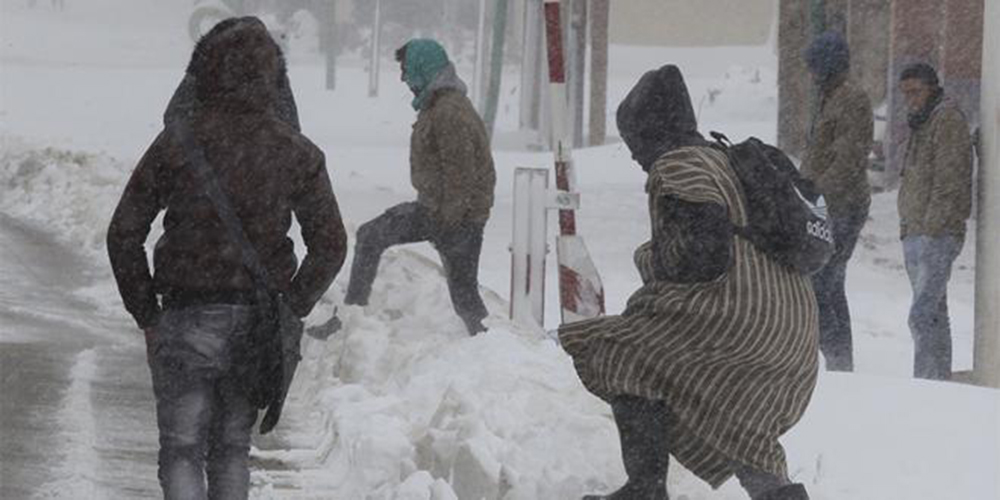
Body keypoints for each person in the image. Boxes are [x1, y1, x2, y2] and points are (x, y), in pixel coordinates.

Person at [106, 17, 347, 499]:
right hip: (258, 322)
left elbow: (123, 232)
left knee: (181, 448)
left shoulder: (179, 140)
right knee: (232, 448)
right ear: (273, 78)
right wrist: (291, 305)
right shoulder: (295, 150)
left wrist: (146, 312)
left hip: (186, 311)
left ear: (204, 72)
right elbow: (331, 244)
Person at [559, 65, 816, 500]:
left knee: (617, 346)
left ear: (650, 130)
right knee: (735, 413)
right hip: (793, 334)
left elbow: (703, 251)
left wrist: (651, 257)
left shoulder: (679, 162)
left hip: (743, 321)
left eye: (633, 142)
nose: (635, 157)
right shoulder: (726, 158)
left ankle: (645, 487)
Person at [343, 38, 496, 336]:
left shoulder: (449, 111)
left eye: (406, 69)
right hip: (447, 212)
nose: (403, 78)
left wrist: (447, 225)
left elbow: (461, 175)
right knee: (465, 298)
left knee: (371, 236)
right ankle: (486, 344)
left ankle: (352, 317)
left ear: (422, 69)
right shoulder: (439, 105)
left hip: (453, 217)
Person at [800, 31, 874, 372]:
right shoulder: (831, 98)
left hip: (840, 206)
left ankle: (836, 357)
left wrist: (816, 194)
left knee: (821, 281)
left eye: (814, 68)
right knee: (829, 283)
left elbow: (847, 160)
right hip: (824, 204)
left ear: (827, 67)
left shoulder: (851, 100)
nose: (811, 75)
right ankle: (838, 359)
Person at [896, 63, 974, 380]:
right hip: (916, 230)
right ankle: (937, 380)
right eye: (905, 93)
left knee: (922, 315)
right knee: (934, 313)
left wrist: (932, 229)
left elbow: (949, 180)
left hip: (935, 233)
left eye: (915, 91)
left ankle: (928, 382)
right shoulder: (923, 121)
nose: (910, 99)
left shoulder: (946, 120)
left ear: (931, 88)